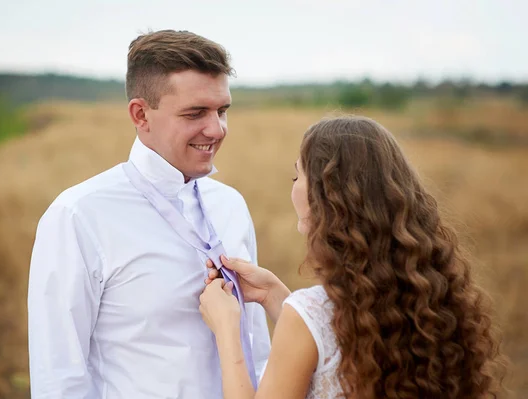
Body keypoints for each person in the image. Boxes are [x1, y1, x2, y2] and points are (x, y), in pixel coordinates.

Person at [27, 29, 271, 398]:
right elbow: (60, 378)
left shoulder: (231, 205)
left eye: (222, 111)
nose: (217, 129)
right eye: (195, 113)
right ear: (141, 114)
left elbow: (258, 348)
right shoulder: (78, 216)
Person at [199, 115, 504, 399]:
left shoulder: (310, 313)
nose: (293, 187)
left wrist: (227, 332)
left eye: (297, 176)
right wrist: (277, 297)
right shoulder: (427, 297)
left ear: (324, 196)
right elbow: (334, 344)